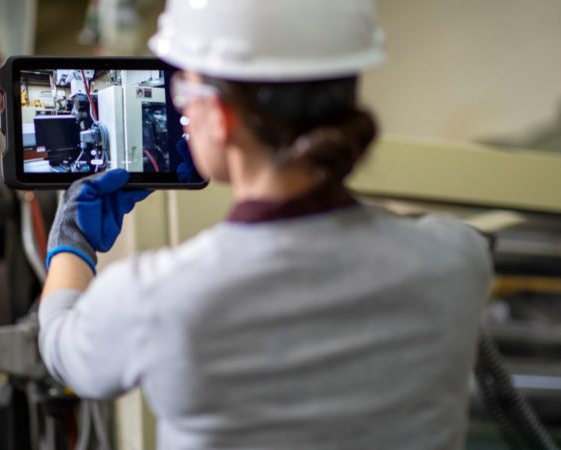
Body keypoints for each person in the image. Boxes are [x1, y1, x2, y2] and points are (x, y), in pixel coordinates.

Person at [38, 0, 493, 448]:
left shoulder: (156, 299)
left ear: (220, 118)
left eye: (184, 96)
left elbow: (61, 346)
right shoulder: (456, 257)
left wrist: (72, 242)